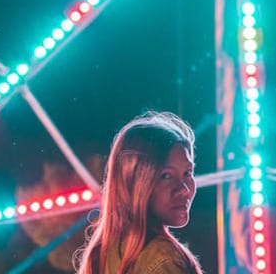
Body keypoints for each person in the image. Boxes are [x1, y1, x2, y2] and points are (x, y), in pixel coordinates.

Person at [75, 111, 204, 274]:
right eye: (166, 176)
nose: (183, 189)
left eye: (187, 173)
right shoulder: (163, 258)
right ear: (136, 183)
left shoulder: (103, 255)